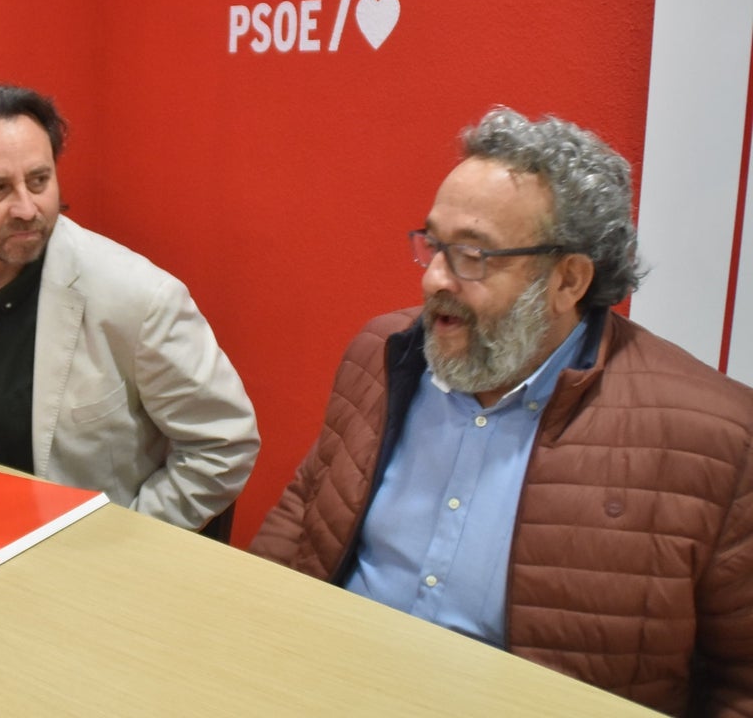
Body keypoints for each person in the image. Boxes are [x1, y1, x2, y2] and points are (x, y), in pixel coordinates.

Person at [250, 107, 753, 716]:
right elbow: (306, 514)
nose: (435, 278)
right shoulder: (383, 354)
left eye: (474, 257)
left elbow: (740, 681)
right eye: (434, 245)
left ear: (568, 280)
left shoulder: (714, 439)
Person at [0, 79, 259, 532]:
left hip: (88, 560)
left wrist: (130, 541)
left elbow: (224, 441)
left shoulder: (137, 295)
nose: (27, 207)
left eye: (39, 181)